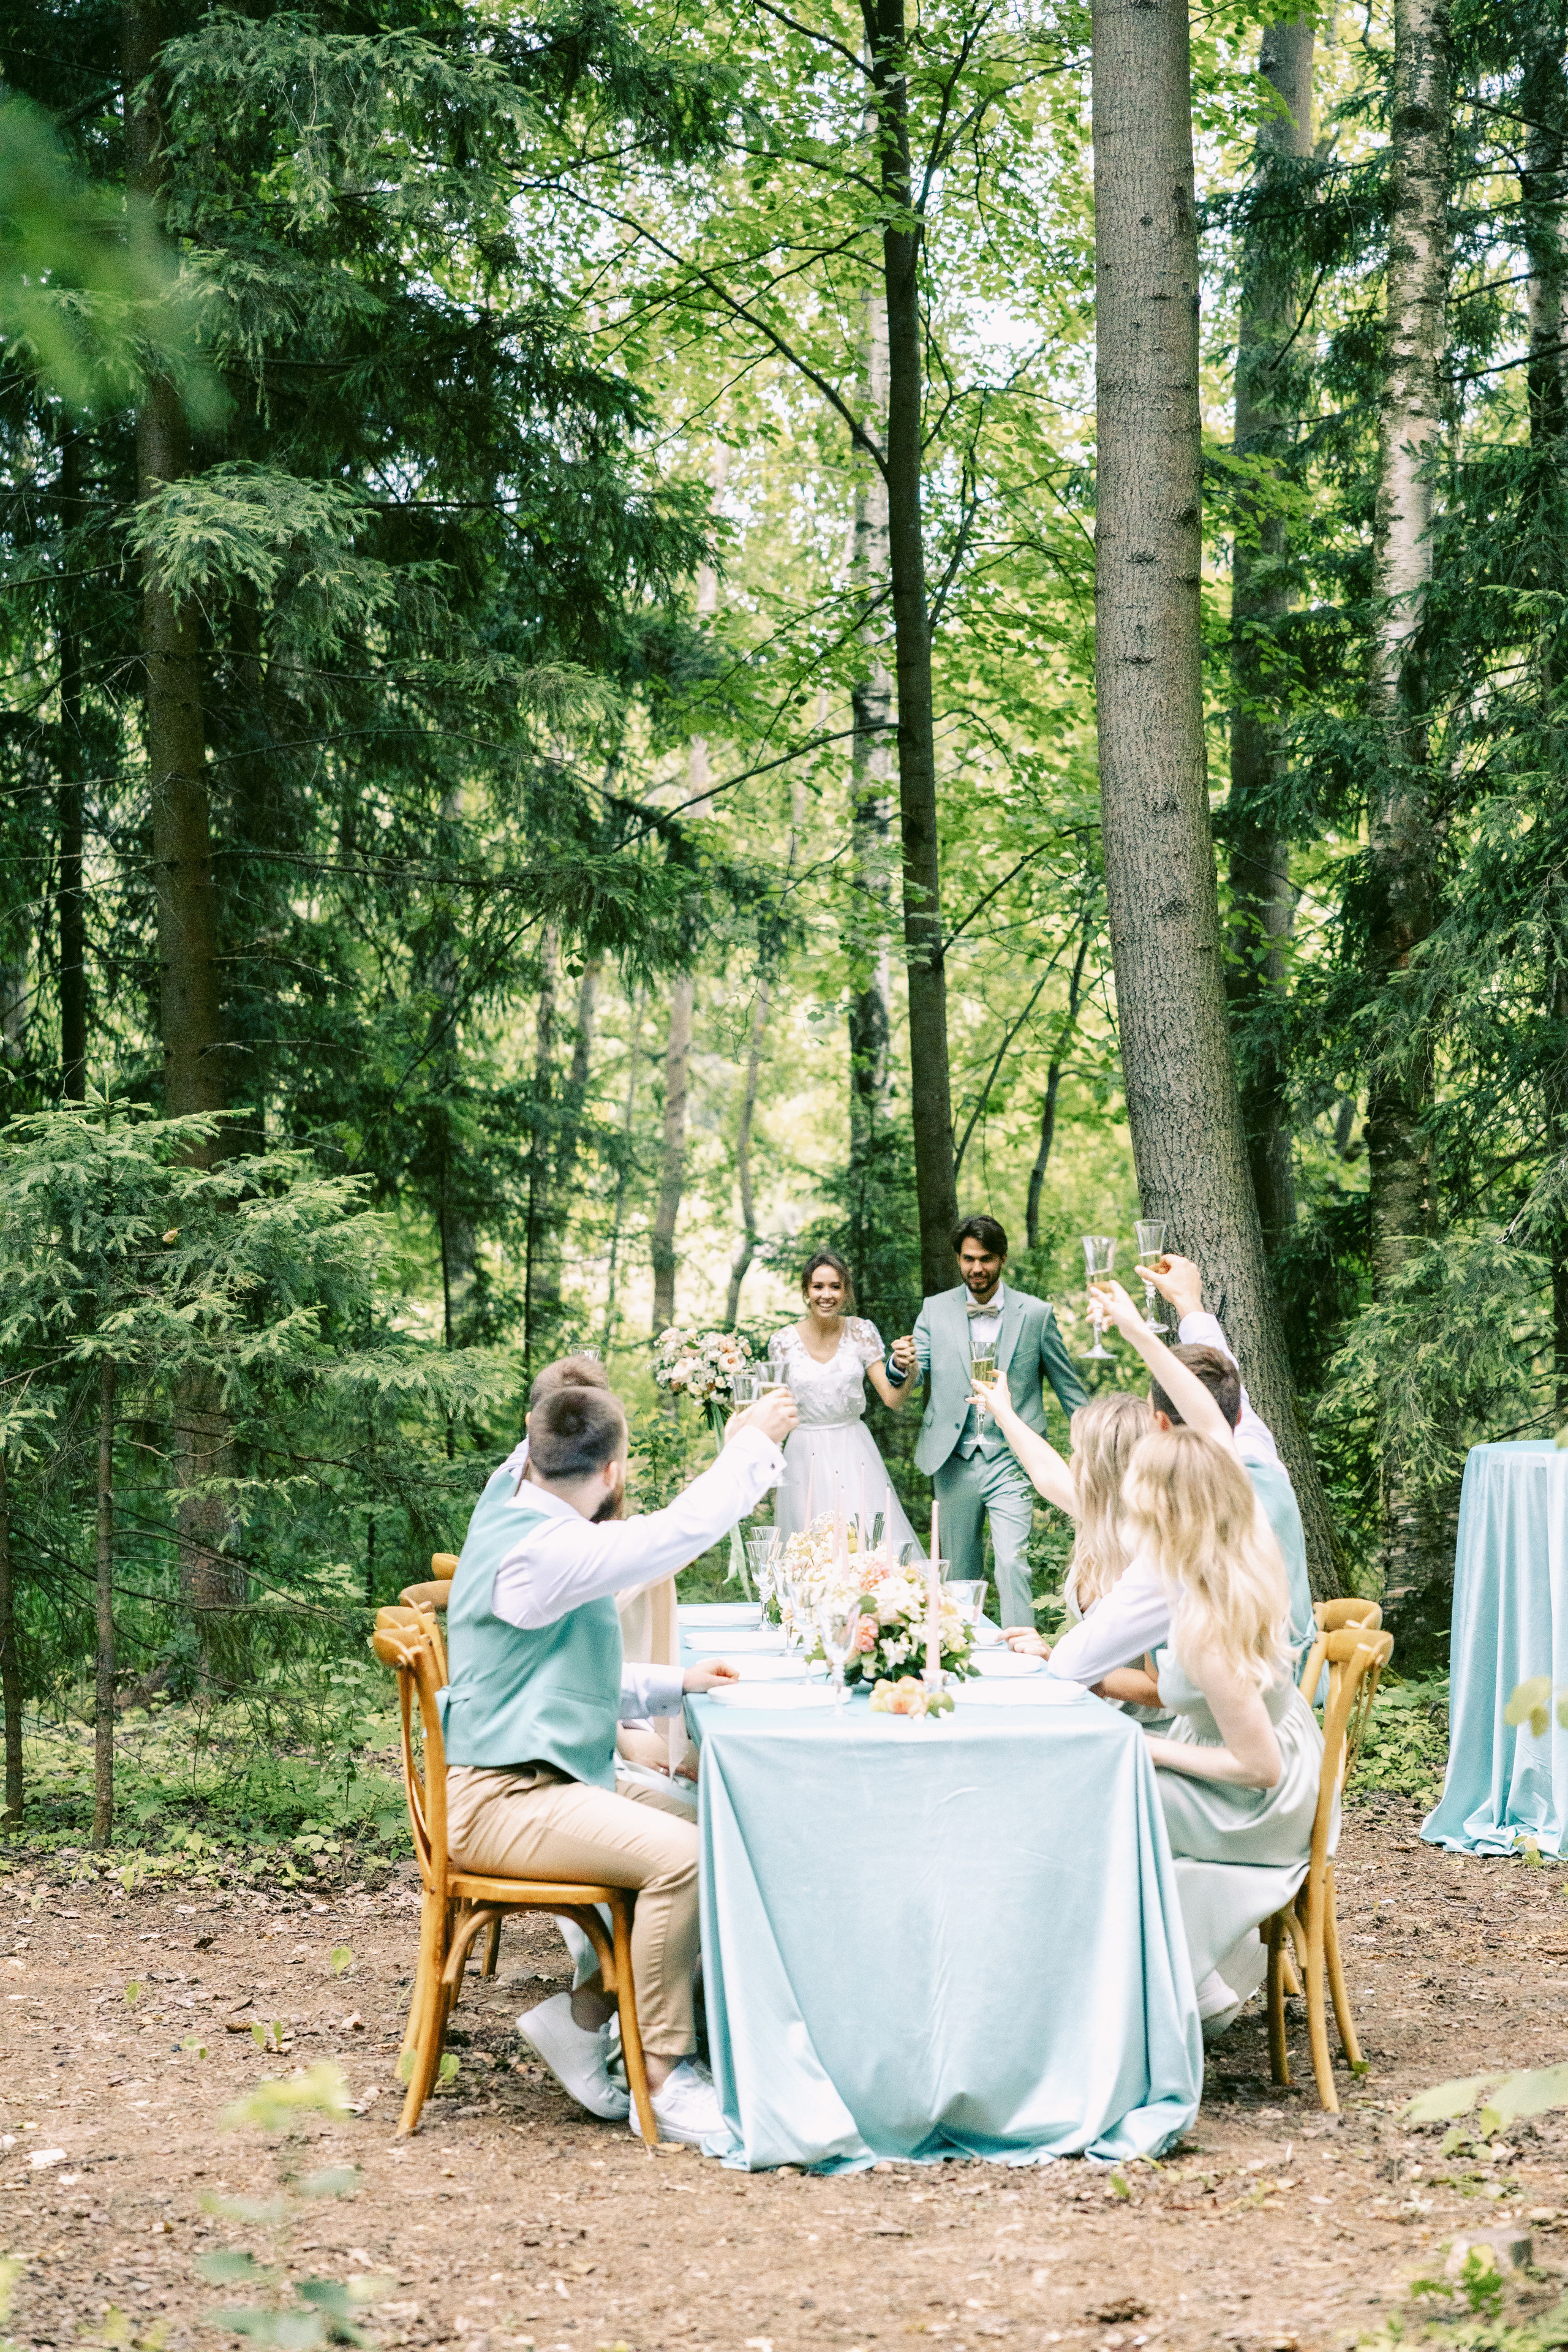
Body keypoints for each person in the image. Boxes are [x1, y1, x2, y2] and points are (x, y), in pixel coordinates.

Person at [440, 1376, 797, 2146]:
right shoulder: (546, 1549)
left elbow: (559, 1678)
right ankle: (662, 2077)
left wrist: (678, 1685)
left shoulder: (509, 1498)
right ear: (610, 1473)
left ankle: (584, 2017)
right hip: (502, 1798)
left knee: (720, 1829)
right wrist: (753, 1443)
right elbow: (675, 1532)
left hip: (539, 1777)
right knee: (686, 1858)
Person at [1114, 1422, 1324, 2030]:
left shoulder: (1208, 1624)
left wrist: (1151, 1748)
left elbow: (1260, 1768)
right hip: (1262, 1773)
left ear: (1167, 1515)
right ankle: (1159, 1973)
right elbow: (1210, 1416)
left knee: (1111, 1796)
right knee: (1117, 1788)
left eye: (1138, 1505)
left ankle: (1175, 1991)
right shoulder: (1234, 1557)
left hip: (1262, 1805)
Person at [888, 1214, 1088, 1627]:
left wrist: (1097, 1445)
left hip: (1013, 1459)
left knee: (1013, 1562)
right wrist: (898, 1363)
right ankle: (964, 1655)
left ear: (1003, 1259)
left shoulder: (1036, 1314)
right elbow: (914, 1370)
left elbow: (1069, 1389)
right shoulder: (934, 1310)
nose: (977, 1269)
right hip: (954, 1458)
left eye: (987, 1259)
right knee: (959, 1571)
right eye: (968, 1259)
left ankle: (1024, 1654)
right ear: (958, 1260)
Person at [1137, 1253, 1314, 1665]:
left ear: (1162, 1425)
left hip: (1244, 1695)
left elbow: (1169, 1682)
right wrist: (1189, 1304)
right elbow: (1233, 1392)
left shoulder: (1190, 1513)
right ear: (1235, 1415)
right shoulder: (1261, 1459)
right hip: (1299, 1678)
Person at [768, 1250, 921, 1552]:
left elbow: (892, 1398)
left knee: (867, 1544)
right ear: (806, 1291)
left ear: (846, 1291)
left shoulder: (861, 1332)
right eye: (818, 1287)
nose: (827, 1295)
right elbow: (774, 1410)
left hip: (853, 1451)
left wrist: (911, 1368)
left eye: (835, 1287)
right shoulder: (782, 1342)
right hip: (802, 1454)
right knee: (807, 1550)